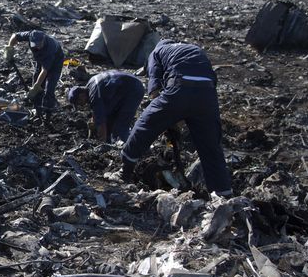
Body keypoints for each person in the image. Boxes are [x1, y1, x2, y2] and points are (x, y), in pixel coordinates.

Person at [118, 39, 233, 197]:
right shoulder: (194, 49)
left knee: (145, 124)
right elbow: (208, 80)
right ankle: (224, 194)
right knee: (211, 147)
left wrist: (167, 119)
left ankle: (125, 171)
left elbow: (154, 90)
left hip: (180, 87)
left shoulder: (156, 52)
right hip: (207, 94)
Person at [3, 30, 65, 123]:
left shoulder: (49, 48)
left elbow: (45, 71)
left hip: (56, 62)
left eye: (39, 44)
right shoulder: (31, 35)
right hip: (41, 59)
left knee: (49, 88)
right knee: (36, 80)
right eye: (35, 44)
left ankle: (48, 115)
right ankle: (38, 110)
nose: (37, 46)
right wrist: (9, 48)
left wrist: (36, 86)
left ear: (43, 40)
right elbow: (15, 35)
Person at [67, 70, 144, 142]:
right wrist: (94, 121)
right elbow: (98, 111)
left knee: (120, 128)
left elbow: (101, 121)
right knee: (110, 119)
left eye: (79, 102)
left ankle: (133, 147)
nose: (81, 105)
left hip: (134, 90)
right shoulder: (91, 84)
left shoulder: (95, 95)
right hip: (124, 88)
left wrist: (102, 142)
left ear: (81, 95)